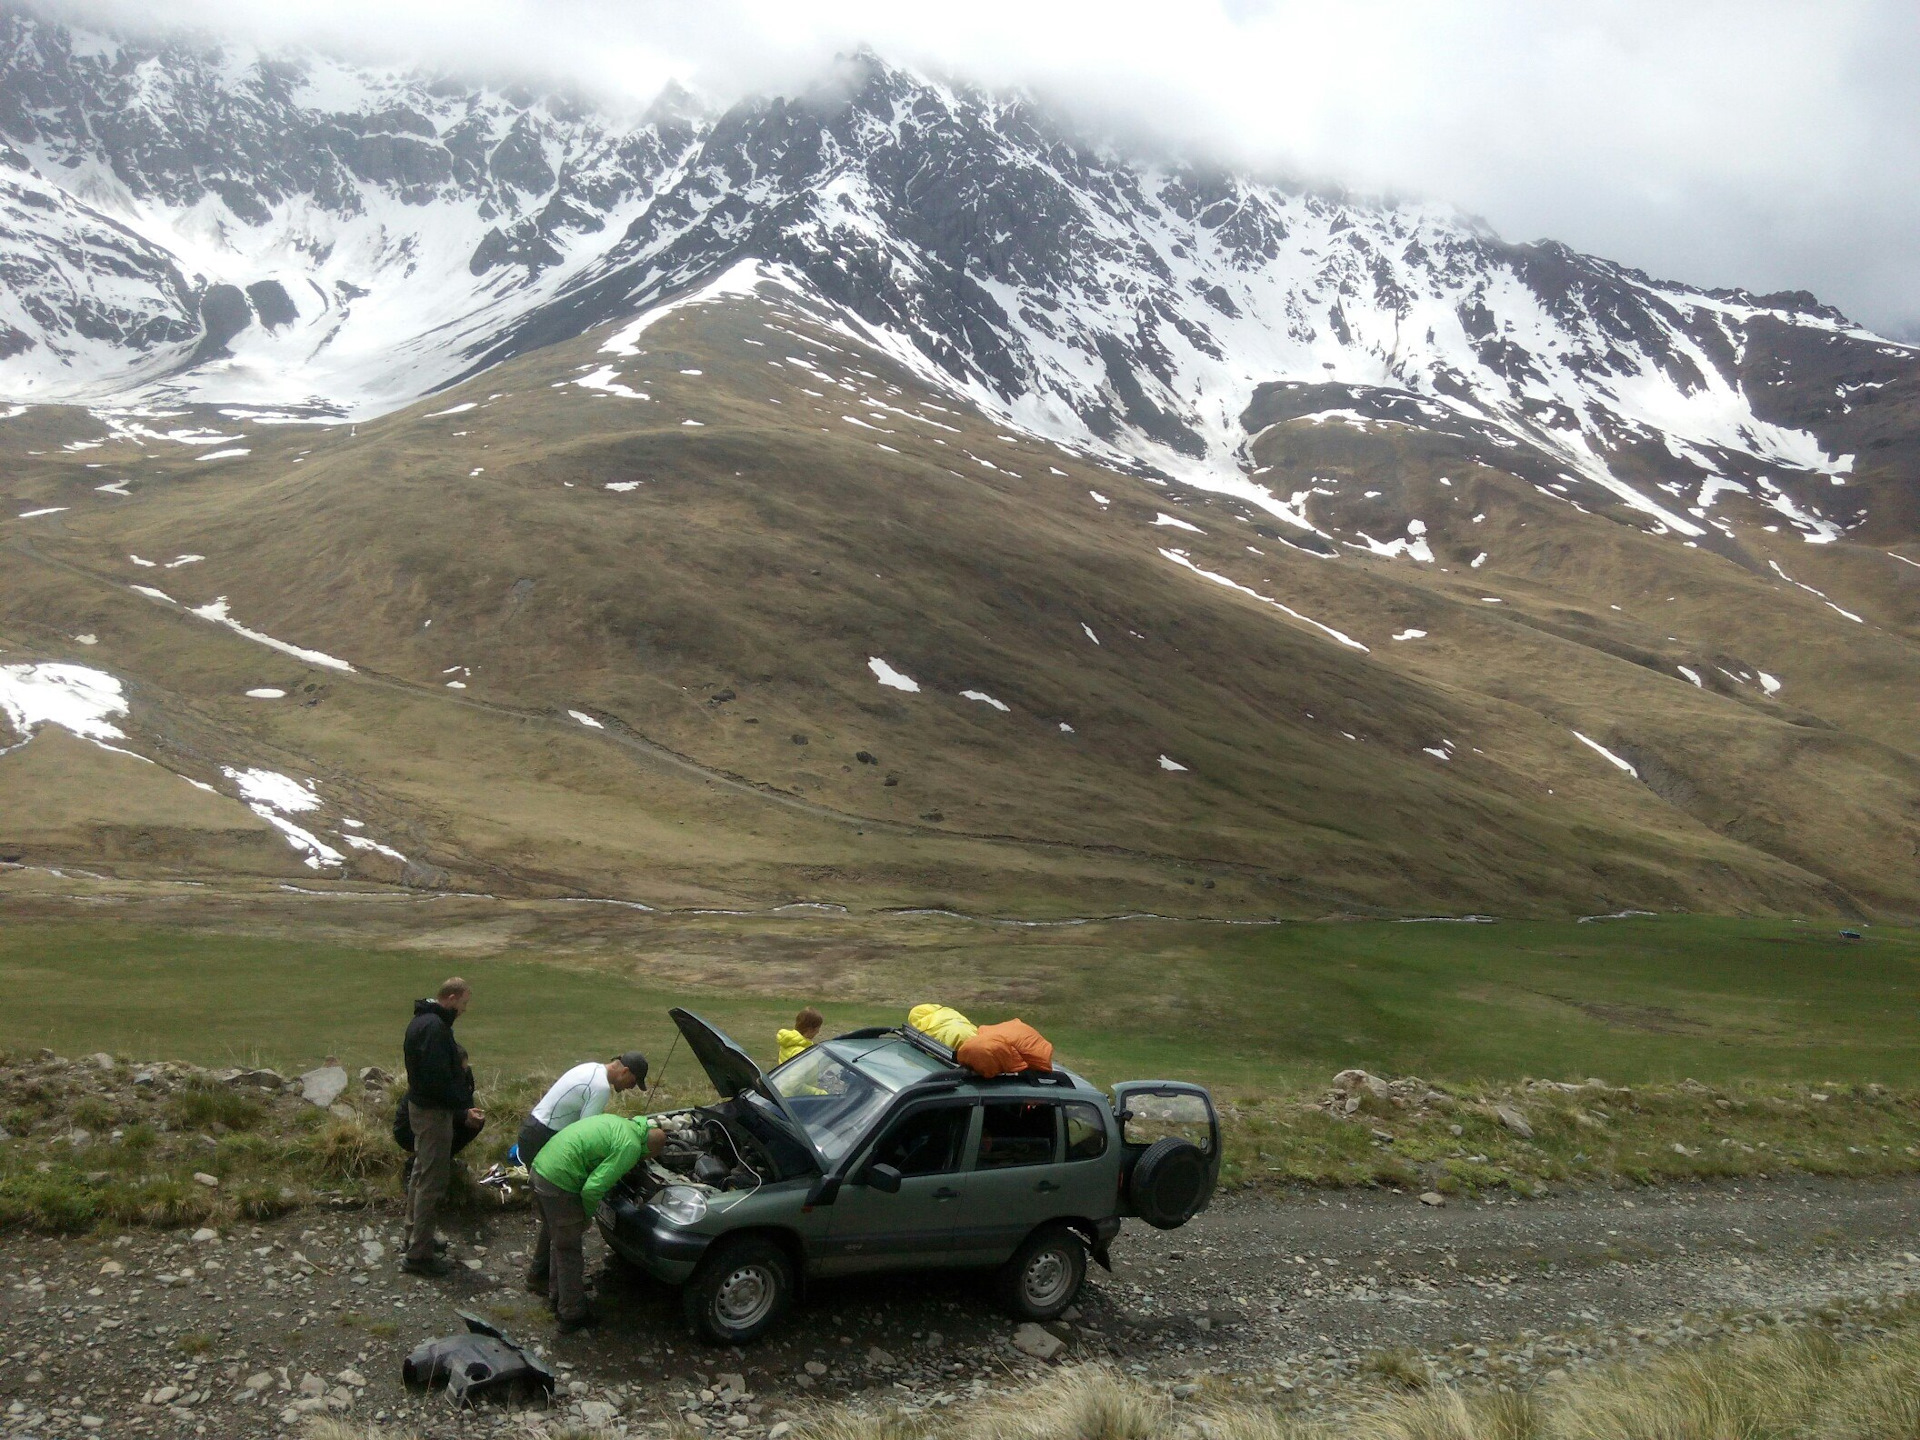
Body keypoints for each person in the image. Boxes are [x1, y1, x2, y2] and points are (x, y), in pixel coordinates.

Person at [519, 1053, 649, 1295]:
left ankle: (542, 1278)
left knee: (552, 1218)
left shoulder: (591, 1068)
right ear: (625, 1071)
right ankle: (560, 1288)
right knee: (562, 1218)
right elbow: (586, 1129)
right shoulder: (601, 1088)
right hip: (544, 1136)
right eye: (633, 1082)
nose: (630, 1088)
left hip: (534, 1129)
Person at [529, 1112, 666, 1332]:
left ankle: (557, 1296)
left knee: (559, 1239)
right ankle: (572, 1315)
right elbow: (593, 1188)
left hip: (541, 1168)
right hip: (558, 1180)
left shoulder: (623, 1123)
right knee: (569, 1249)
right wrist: (586, 1216)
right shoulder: (631, 1147)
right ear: (649, 1150)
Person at [400, 977, 483, 1277]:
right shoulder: (435, 1029)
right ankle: (419, 1254)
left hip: (422, 1109)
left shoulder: (423, 1023)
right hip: (433, 1114)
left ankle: (414, 1236)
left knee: (421, 1173)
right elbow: (438, 1080)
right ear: (451, 997)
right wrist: (462, 1109)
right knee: (431, 1182)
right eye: (463, 1003)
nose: (464, 1010)